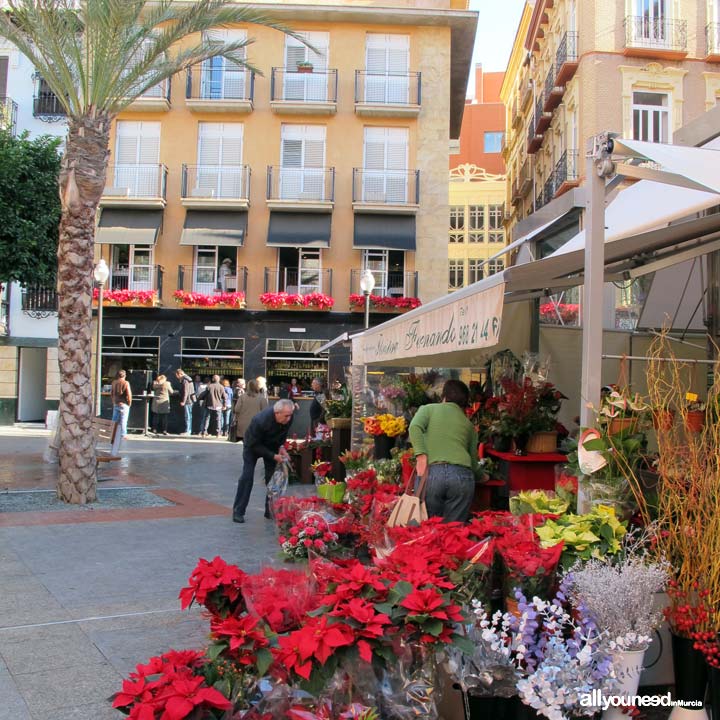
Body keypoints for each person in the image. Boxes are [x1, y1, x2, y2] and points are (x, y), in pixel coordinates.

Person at [408, 379, 481, 523]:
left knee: (429, 528)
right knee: (453, 533)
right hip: (462, 477)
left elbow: (414, 427)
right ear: (464, 404)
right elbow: (473, 461)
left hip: (432, 474)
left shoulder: (428, 409)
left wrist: (421, 455)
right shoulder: (469, 425)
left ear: (444, 397)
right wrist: (482, 476)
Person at [232, 399, 294, 523]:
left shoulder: (288, 417)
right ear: (277, 413)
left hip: (272, 445)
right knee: (247, 476)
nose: (289, 418)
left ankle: (270, 510)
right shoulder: (259, 420)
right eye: (286, 416)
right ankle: (238, 511)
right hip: (252, 446)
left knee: (272, 478)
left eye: (290, 415)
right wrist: (272, 456)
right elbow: (253, 445)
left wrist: (281, 447)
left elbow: (283, 434)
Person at [110, 370, 132, 439]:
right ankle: (123, 435)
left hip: (116, 403)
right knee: (123, 420)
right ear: (124, 376)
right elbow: (129, 394)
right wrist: (129, 403)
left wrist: (113, 401)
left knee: (114, 420)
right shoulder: (126, 383)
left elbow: (111, 393)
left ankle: (112, 433)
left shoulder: (114, 382)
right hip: (124, 404)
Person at [175, 368, 195, 436]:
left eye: (177, 376)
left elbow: (186, 391)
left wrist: (183, 401)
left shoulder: (185, 380)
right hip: (190, 400)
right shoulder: (188, 378)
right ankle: (189, 430)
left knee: (188, 416)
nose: (177, 377)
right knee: (189, 416)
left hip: (188, 400)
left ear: (180, 374)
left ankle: (188, 431)